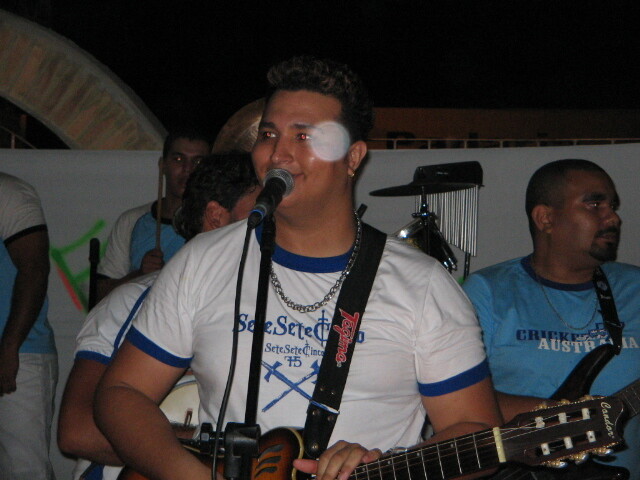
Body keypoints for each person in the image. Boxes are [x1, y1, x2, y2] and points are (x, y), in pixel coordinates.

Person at [94, 56, 502, 480]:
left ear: (353, 157)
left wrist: (384, 464)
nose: (278, 153)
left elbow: (477, 433)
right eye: (268, 134)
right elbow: (121, 392)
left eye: (304, 135)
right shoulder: (203, 260)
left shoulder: (422, 284)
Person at [58, 153, 261, 480]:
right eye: (262, 212)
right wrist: (211, 447)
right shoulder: (131, 301)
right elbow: (78, 431)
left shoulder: (266, 307)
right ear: (216, 216)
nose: (278, 225)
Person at [462, 159, 640, 477]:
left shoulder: (635, 287)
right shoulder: (488, 291)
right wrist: (562, 418)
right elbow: (456, 402)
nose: (613, 217)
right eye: (595, 204)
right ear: (545, 218)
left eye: (612, 206)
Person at [96, 129, 212, 301]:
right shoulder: (131, 221)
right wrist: (140, 274)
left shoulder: (218, 223)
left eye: (198, 161)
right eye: (178, 159)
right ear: (162, 165)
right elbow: (100, 296)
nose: (187, 169)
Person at [0, 172, 58, 479]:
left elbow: (34, 268)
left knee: (24, 470)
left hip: (19, 354)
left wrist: (9, 346)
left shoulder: (8, 191)